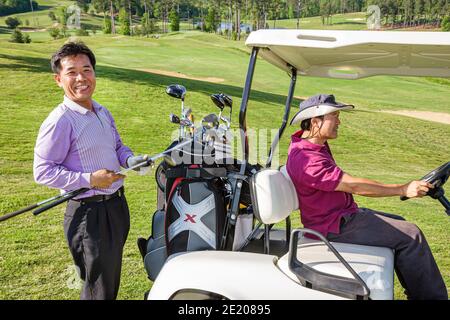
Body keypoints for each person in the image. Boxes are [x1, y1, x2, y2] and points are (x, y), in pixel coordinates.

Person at [286, 93, 447, 300]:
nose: (339, 121)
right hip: (333, 226)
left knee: (401, 224)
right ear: (316, 121)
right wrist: (402, 189)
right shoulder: (307, 159)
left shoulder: (311, 144)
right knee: (412, 235)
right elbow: (354, 185)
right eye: (334, 115)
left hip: (340, 217)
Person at [33, 41, 148, 300]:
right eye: (71, 72)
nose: (81, 78)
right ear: (58, 79)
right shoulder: (60, 121)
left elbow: (117, 146)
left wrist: (131, 160)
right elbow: (42, 171)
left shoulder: (102, 111)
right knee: (99, 289)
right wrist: (90, 179)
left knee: (107, 279)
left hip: (115, 207)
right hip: (89, 215)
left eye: (86, 70)